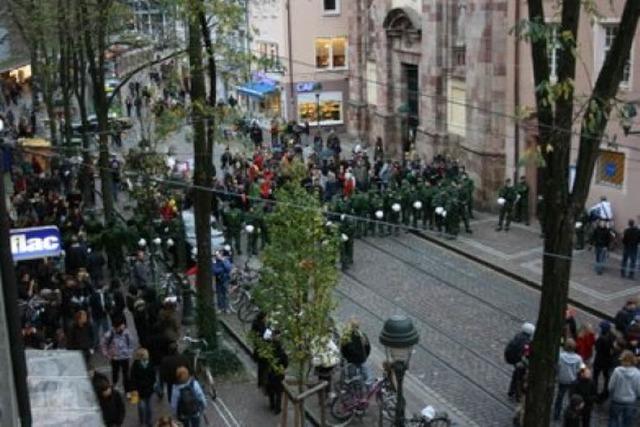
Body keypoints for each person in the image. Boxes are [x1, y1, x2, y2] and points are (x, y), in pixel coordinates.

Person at [608, 350, 640, 427]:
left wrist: (612, 395)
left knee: (613, 420)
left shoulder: (617, 371)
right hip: (630, 401)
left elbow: (611, 387)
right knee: (627, 422)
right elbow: (638, 390)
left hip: (617, 400)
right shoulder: (637, 373)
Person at [101, 316, 133, 392]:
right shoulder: (110, 334)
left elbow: (131, 343)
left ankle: (127, 390)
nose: (121, 327)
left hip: (125, 357)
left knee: (126, 375)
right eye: (119, 326)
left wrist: (129, 353)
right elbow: (103, 344)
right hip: (115, 358)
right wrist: (107, 354)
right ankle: (114, 386)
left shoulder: (126, 333)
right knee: (115, 373)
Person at [553, 338, 583, 420]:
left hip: (562, 379)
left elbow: (556, 367)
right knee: (572, 398)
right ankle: (571, 414)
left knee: (559, 397)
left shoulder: (560, 356)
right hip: (572, 381)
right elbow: (581, 369)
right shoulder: (578, 358)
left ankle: (556, 414)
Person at [505, 322, 535, 400]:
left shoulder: (517, 336)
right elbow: (527, 354)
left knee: (515, 376)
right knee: (520, 378)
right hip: (521, 362)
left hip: (514, 360)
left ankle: (511, 391)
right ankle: (518, 395)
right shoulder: (527, 342)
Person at [340, 319, 372, 384]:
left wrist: (346, 358)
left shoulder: (346, 337)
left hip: (351, 361)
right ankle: (367, 385)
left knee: (351, 376)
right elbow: (368, 347)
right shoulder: (363, 335)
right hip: (362, 358)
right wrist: (365, 356)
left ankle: (352, 387)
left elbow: (343, 350)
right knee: (365, 375)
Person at [130, 348, 156, 427]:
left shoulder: (149, 363)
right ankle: (144, 421)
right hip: (141, 389)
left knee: (146, 406)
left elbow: (153, 376)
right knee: (143, 406)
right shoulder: (136, 365)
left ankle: (146, 421)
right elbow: (133, 377)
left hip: (146, 388)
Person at [264, 329, 288, 414]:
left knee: (271, 390)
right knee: (278, 392)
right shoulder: (282, 351)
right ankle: (277, 408)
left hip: (271, 372)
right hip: (279, 373)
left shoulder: (269, 348)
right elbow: (285, 362)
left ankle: (272, 405)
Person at [593, 321, 615, 402]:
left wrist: (596, 339)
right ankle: (604, 394)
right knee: (606, 378)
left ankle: (594, 392)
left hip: (599, 361)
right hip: (608, 361)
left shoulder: (601, 338)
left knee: (595, 377)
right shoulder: (612, 336)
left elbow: (597, 348)